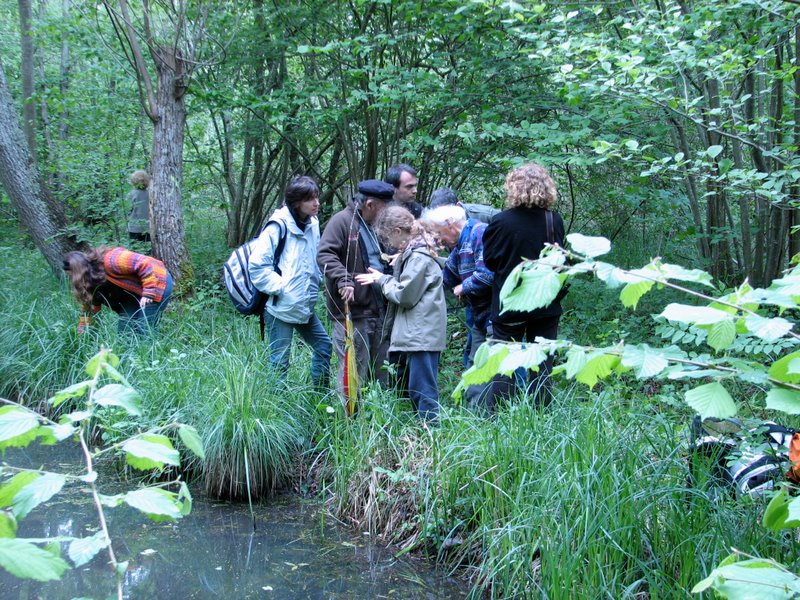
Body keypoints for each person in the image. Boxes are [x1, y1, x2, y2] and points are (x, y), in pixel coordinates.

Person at [482, 163, 565, 411]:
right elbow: (562, 260)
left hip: (510, 305)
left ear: (513, 188)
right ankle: (541, 417)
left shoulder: (500, 222)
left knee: (503, 365)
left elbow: (491, 261)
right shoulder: (553, 220)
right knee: (542, 366)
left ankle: (496, 419)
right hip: (545, 303)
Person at [355, 205, 446, 423]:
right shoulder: (415, 252)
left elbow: (405, 295)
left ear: (397, 231)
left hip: (422, 334)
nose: (389, 244)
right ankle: (421, 434)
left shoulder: (419, 256)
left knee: (422, 390)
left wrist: (382, 279)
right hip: (418, 332)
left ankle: (432, 434)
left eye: (388, 238)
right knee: (413, 387)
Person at [249, 176, 332, 390]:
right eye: (310, 199)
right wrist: (283, 289)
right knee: (280, 362)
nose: (317, 203)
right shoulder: (277, 227)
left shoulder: (312, 224)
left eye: (317, 197)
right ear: (296, 202)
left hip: (304, 305)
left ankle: (320, 397)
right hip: (281, 307)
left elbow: (314, 259)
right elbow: (257, 266)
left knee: (324, 346)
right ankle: (278, 412)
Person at [317, 179, 395, 402]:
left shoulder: (376, 225)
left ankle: (377, 424)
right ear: (370, 204)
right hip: (352, 313)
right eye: (384, 207)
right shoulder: (342, 222)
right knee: (352, 375)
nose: (387, 213)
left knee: (382, 374)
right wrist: (344, 279)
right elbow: (324, 255)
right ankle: (348, 428)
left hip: (379, 311)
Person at [422, 204, 494, 410]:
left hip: (494, 316)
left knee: (491, 367)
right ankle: (478, 414)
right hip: (480, 317)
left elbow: (489, 274)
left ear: (450, 225)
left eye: (437, 233)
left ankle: (494, 415)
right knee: (476, 365)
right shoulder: (459, 245)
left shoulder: (479, 233)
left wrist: (464, 286)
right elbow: (445, 278)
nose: (438, 239)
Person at [63, 246, 173, 336]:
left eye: (70, 274)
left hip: (158, 282)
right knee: (124, 330)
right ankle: (129, 361)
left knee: (143, 328)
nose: (71, 278)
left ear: (76, 271)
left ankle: (149, 361)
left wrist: (148, 292)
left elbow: (143, 263)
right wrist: (83, 330)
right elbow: (90, 308)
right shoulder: (90, 281)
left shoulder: (111, 259)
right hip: (133, 293)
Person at [429, 187, 500, 224]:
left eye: (445, 214)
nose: (444, 219)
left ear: (458, 207)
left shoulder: (487, 215)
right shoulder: (437, 223)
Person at [127, 170, 151, 242]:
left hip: (134, 228)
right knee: (146, 251)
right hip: (148, 228)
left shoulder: (131, 194)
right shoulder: (151, 194)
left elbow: (128, 211)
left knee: (135, 251)